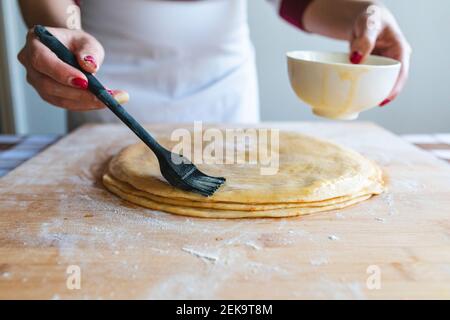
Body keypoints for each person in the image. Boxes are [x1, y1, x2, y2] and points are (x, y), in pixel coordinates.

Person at [18, 0, 411, 130]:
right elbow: (52, 6)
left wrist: (366, 13)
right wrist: (62, 33)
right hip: (106, 102)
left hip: (227, 107)